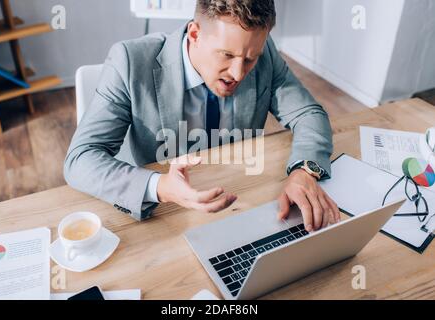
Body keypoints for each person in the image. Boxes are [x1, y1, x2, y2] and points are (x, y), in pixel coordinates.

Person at [64, 0, 340, 232]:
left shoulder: (264, 52)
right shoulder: (129, 61)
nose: (238, 73)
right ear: (194, 34)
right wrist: (161, 187)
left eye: (249, 59)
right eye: (226, 55)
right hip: (166, 217)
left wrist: (305, 171)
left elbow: (308, 113)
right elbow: (80, 159)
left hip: (244, 200)